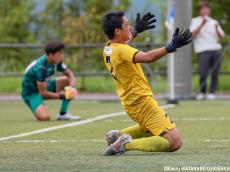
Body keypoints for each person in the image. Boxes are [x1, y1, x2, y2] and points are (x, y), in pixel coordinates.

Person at [102, 11, 192, 156]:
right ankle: (124, 144)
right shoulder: (122, 50)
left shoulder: (108, 48)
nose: (130, 27)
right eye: (127, 25)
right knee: (174, 141)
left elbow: (122, 43)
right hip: (141, 102)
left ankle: (117, 135)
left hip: (131, 102)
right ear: (117, 31)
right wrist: (169, 47)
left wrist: (135, 30)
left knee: (149, 128)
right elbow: (146, 57)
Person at [21, 40, 80, 121]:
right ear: (51, 55)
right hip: (31, 93)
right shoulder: (41, 68)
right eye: (60, 53)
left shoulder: (57, 61)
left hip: (44, 85)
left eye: (62, 53)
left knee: (67, 80)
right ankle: (36, 107)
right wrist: (64, 95)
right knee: (45, 117)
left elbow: (70, 75)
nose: (62, 56)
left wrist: (71, 89)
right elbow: (43, 94)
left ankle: (63, 114)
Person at [190, 1, 225, 100]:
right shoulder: (195, 21)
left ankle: (212, 92)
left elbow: (221, 37)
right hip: (203, 50)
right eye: (203, 9)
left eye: (207, 8)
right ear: (200, 11)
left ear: (209, 10)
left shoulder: (214, 22)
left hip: (216, 49)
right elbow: (192, 35)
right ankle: (202, 92)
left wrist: (217, 28)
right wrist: (202, 24)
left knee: (215, 72)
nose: (205, 10)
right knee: (203, 72)